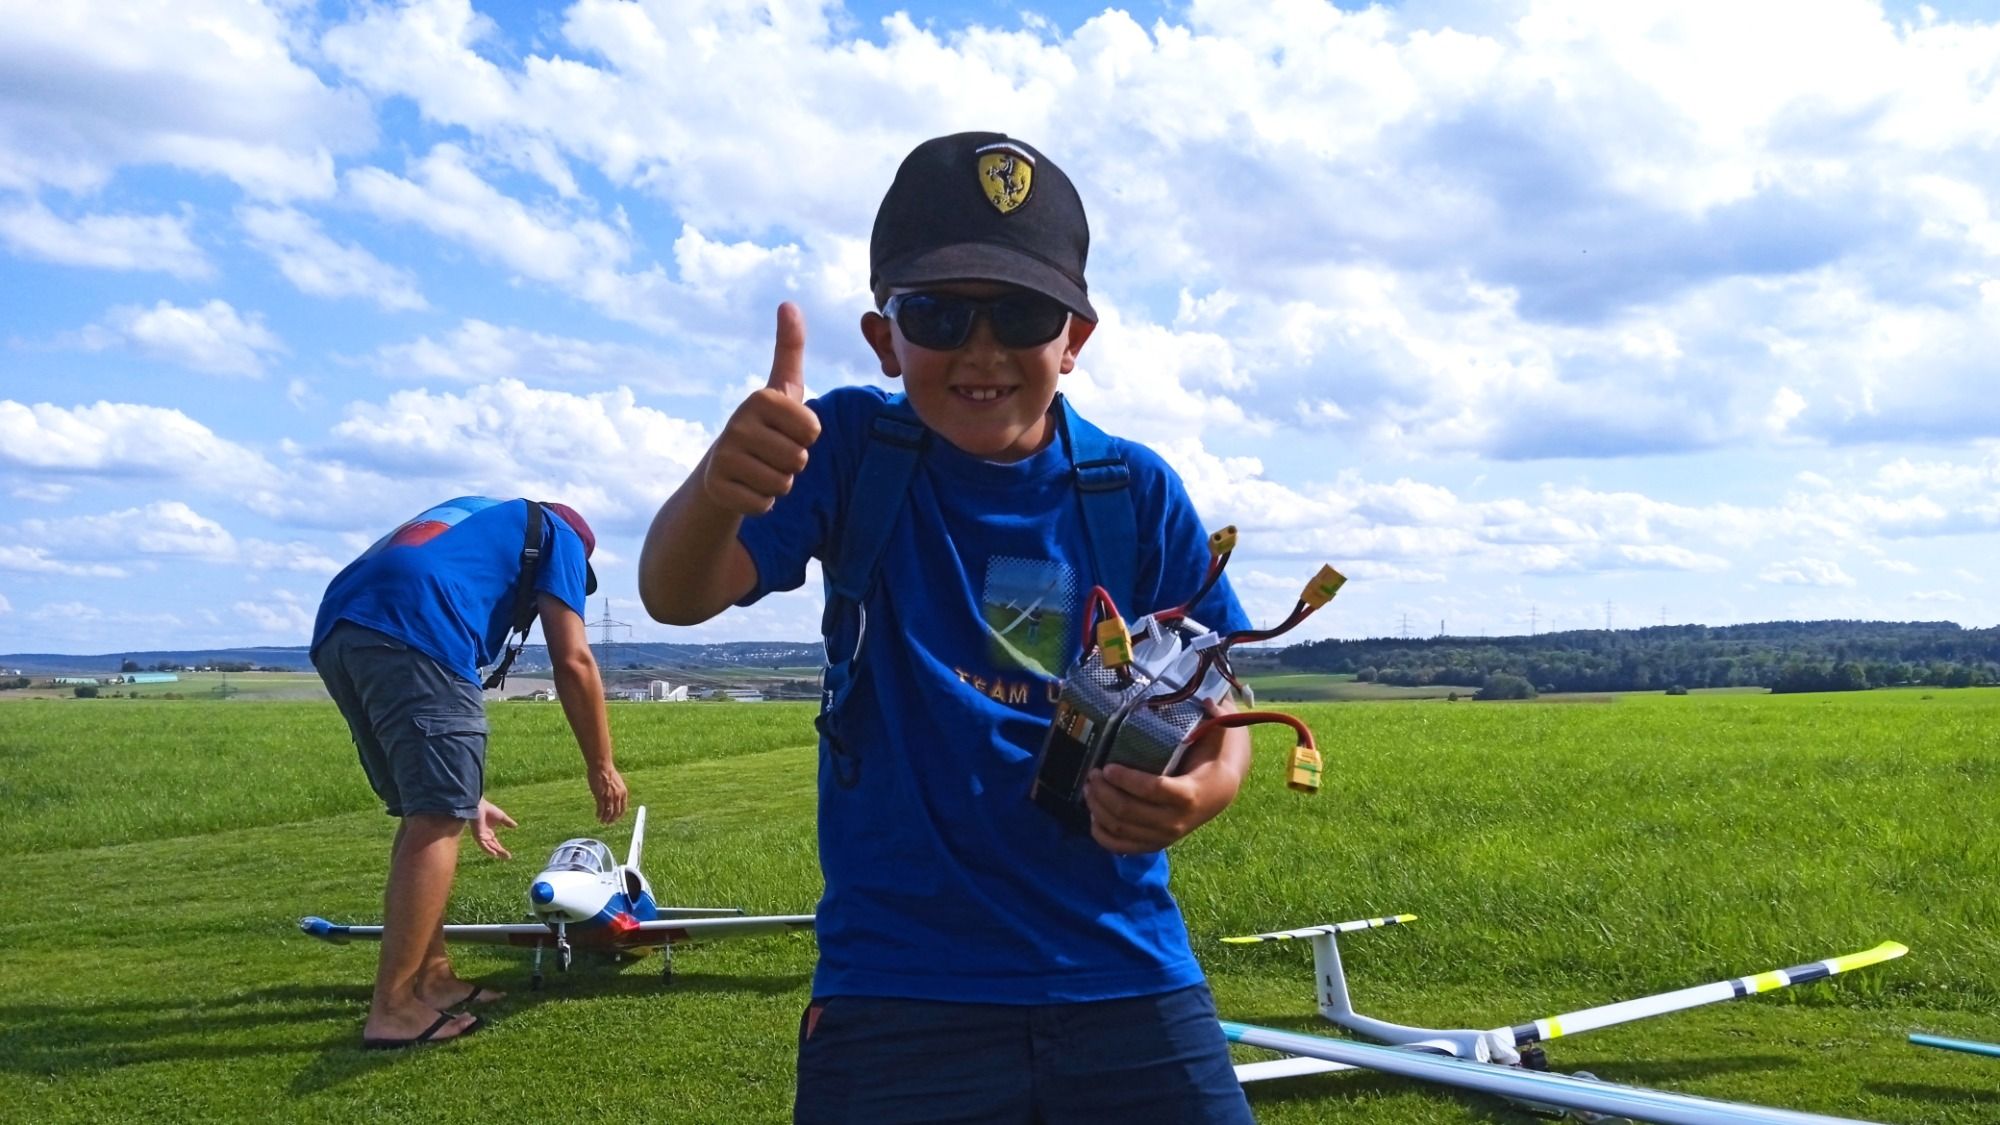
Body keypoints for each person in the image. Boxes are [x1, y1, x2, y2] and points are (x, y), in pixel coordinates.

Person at [638, 133, 1255, 1122]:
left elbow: (1221, 698)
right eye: (937, 314)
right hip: (898, 986)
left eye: (1021, 314)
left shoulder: (1134, 491)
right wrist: (719, 488)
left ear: (1074, 338)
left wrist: (1200, 793)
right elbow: (676, 595)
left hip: (1122, 967)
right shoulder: (845, 449)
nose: (981, 350)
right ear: (884, 338)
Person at [312, 496, 628, 1049]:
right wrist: (601, 765)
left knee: (424, 811)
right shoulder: (561, 535)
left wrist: (465, 793)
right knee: (436, 817)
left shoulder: (485, 517)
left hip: (340, 626)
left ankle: (432, 978)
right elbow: (573, 658)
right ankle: (394, 1009)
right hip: (419, 627)